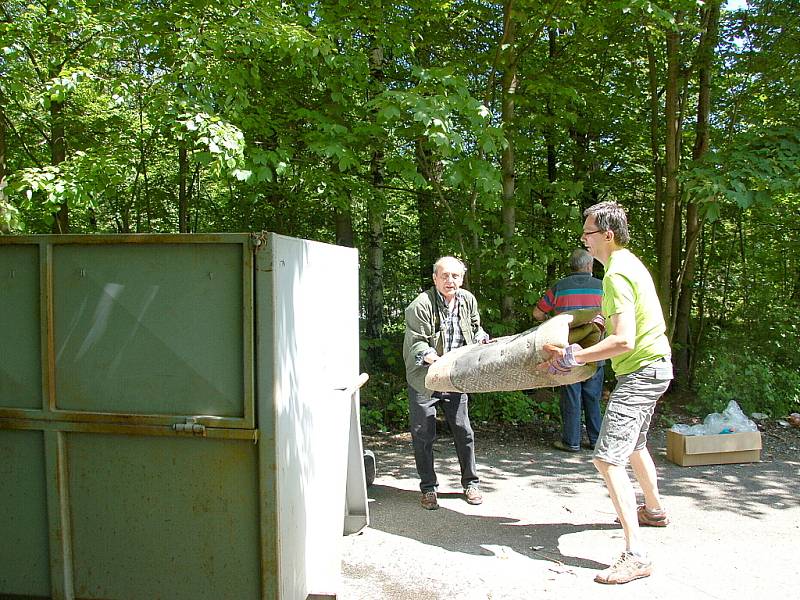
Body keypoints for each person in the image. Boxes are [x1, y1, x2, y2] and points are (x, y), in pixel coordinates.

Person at [540, 201, 673, 585]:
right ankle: (655, 509)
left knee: (606, 458)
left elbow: (624, 339)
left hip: (641, 372)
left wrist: (574, 354)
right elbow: (628, 320)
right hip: (657, 366)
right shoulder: (630, 263)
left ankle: (635, 553)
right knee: (635, 444)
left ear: (607, 235)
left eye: (588, 232)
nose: (584, 238)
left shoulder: (615, 275)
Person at [402, 256, 489, 510]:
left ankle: (471, 483)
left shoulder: (468, 300)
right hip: (425, 378)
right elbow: (416, 341)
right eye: (445, 276)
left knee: (464, 430)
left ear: (461, 279)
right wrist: (430, 356)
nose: (450, 281)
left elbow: (475, 330)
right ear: (434, 278)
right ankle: (428, 488)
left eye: (455, 276)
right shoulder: (420, 305)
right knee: (423, 433)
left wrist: (483, 339)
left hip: (454, 377)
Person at [533, 248, 604, 453]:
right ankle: (595, 440)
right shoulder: (602, 287)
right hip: (595, 349)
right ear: (589, 265)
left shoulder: (559, 287)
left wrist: (552, 324)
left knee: (571, 395)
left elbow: (537, 313)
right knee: (593, 396)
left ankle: (571, 441)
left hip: (565, 351)